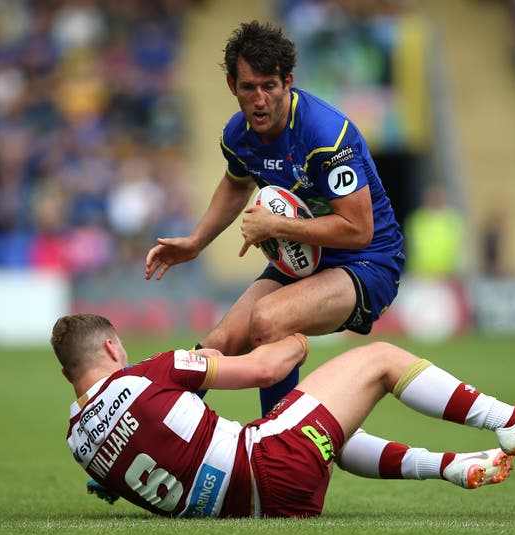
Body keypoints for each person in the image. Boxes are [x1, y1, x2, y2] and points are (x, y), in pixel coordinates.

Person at [53, 313, 515, 518]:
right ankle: (509, 418)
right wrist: (294, 334)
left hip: (257, 509)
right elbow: (266, 369)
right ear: (112, 348)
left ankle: (448, 465)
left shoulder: (79, 444)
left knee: (321, 426)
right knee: (379, 359)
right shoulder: (151, 371)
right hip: (269, 464)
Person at [144, 20, 405, 417]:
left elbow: (358, 230)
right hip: (307, 259)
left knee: (269, 320)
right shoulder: (238, 135)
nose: (260, 99)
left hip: (368, 264)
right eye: (249, 88)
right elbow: (235, 185)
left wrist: (276, 226)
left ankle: (280, 444)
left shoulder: (326, 136)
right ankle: (153, 434)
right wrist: (196, 242)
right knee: (218, 344)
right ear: (232, 85)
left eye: (269, 86)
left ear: (288, 82)